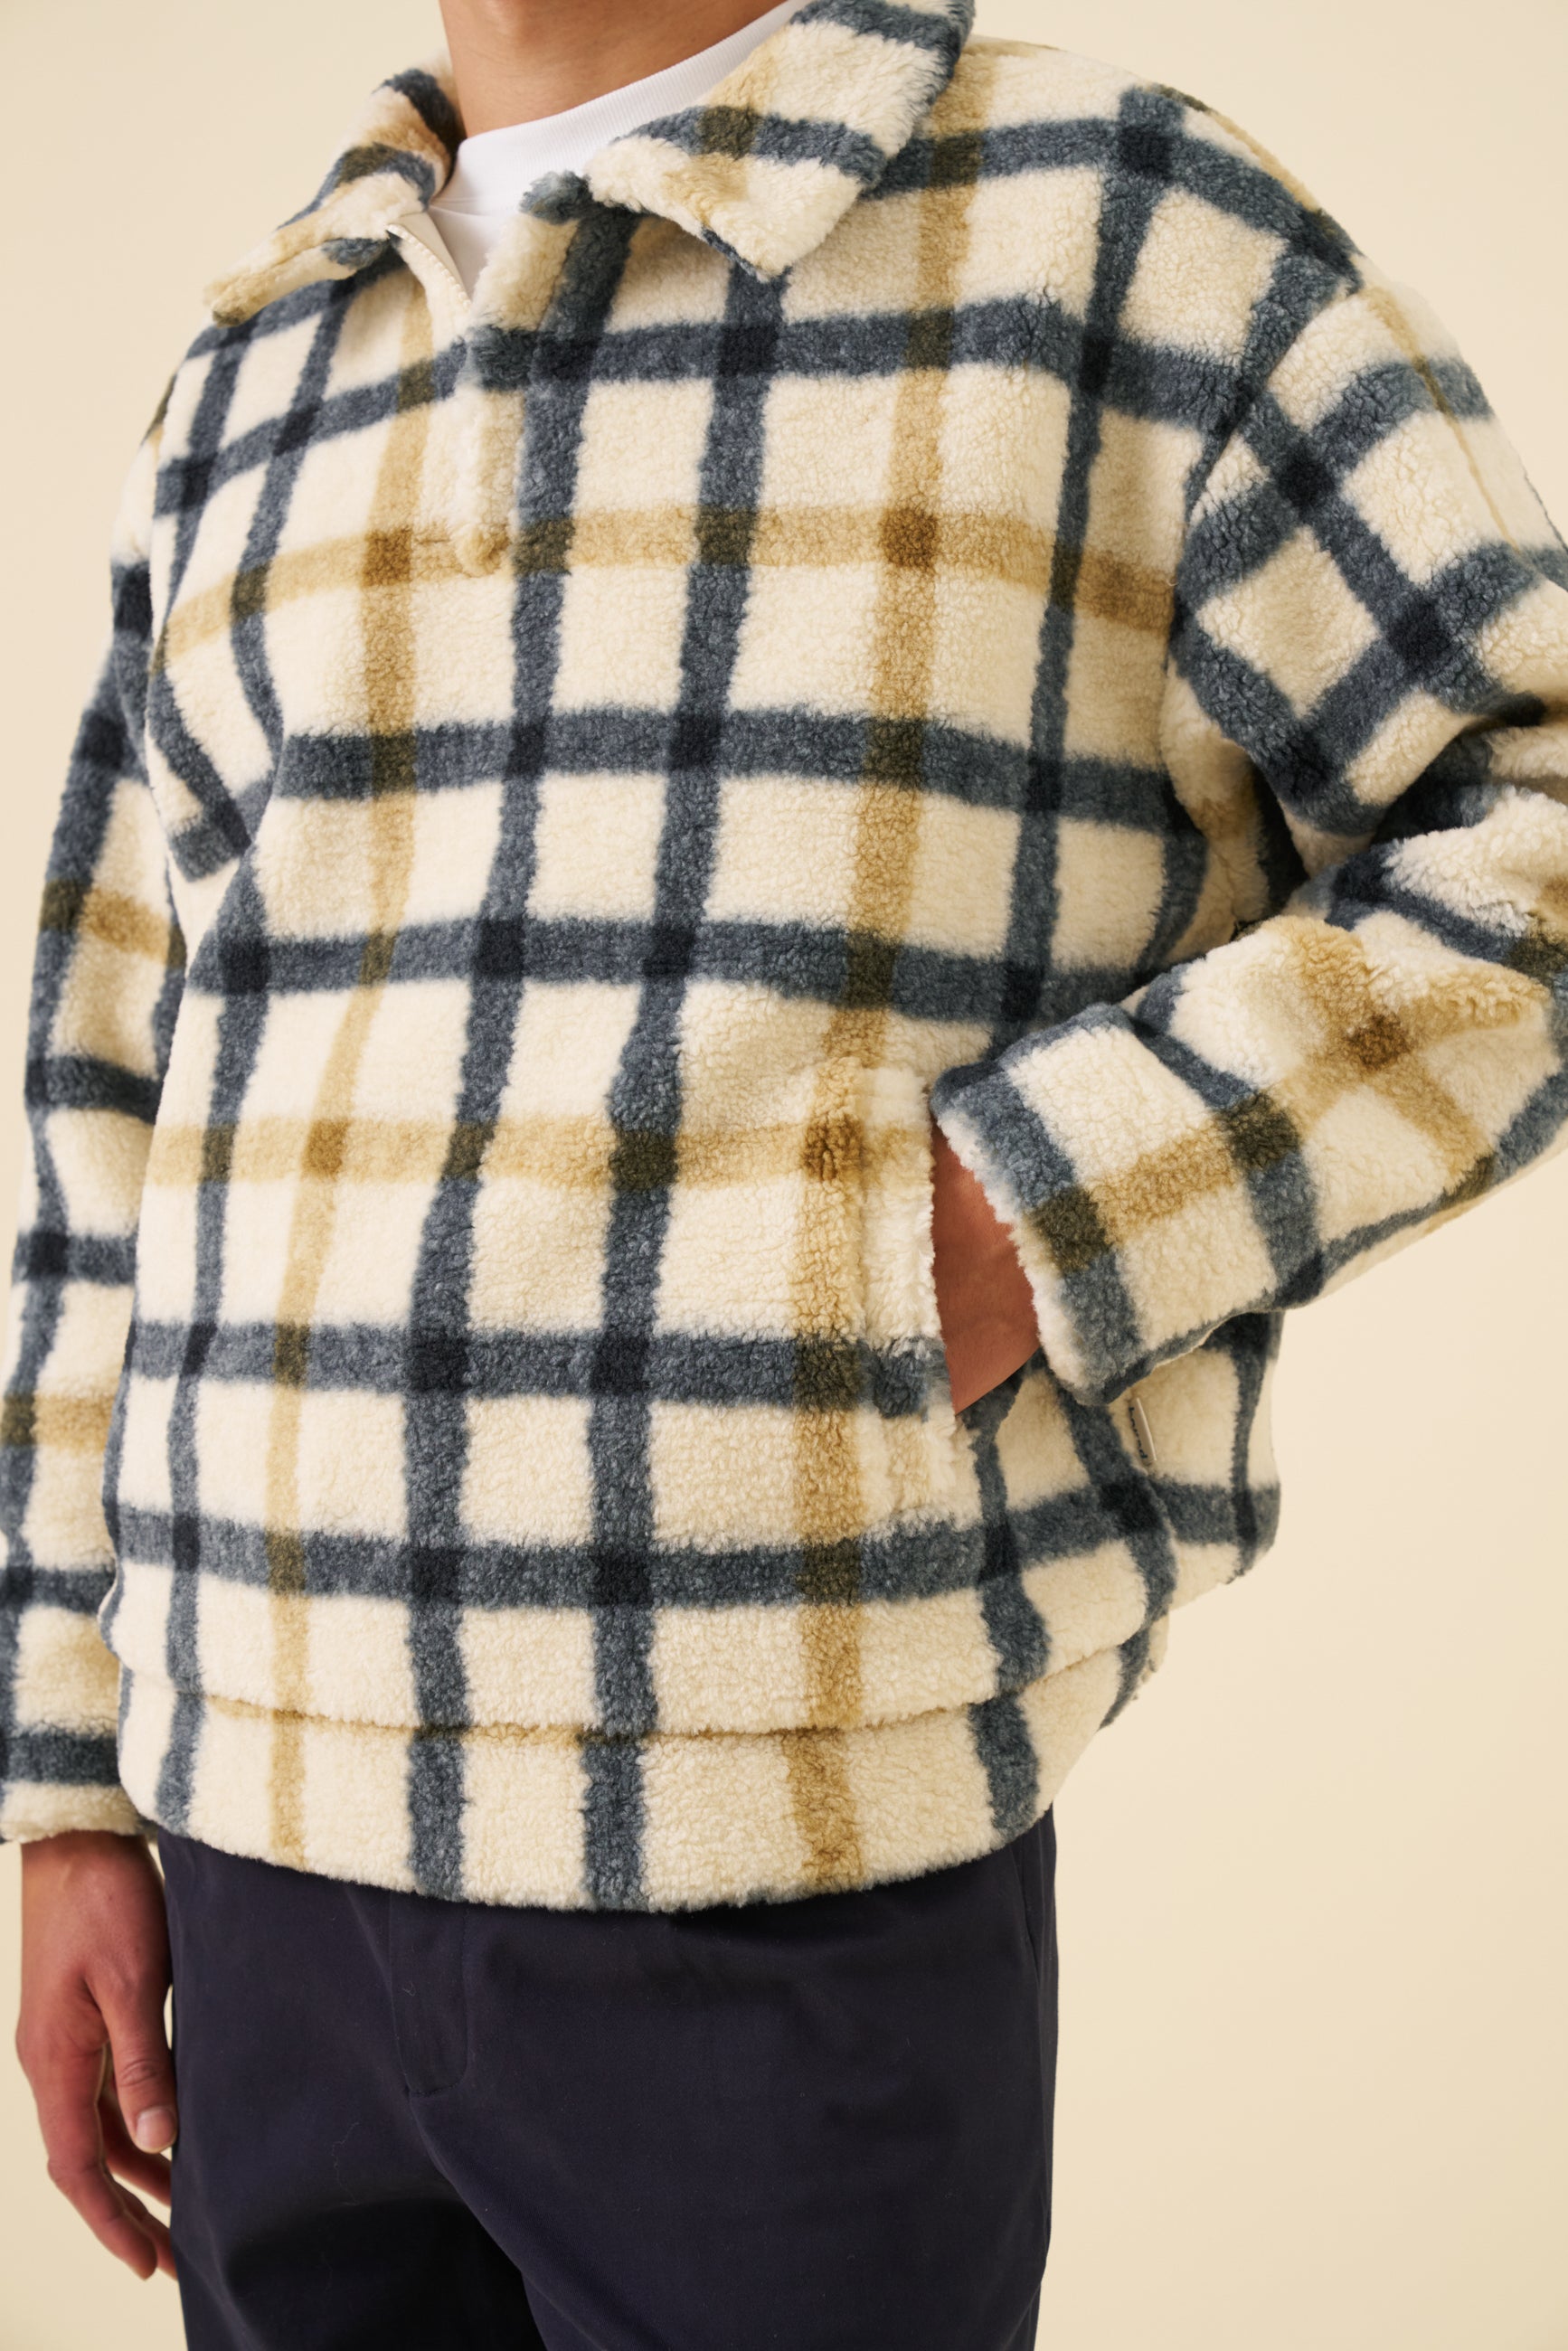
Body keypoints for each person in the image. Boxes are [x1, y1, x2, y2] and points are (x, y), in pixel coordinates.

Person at [5, 0, 1566, 2342]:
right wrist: (64, 1782)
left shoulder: (1124, 230)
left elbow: (1532, 824)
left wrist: (1037, 1215)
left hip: (786, 1875)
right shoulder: (258, 359)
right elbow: (109, 1088)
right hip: (254, 1868)